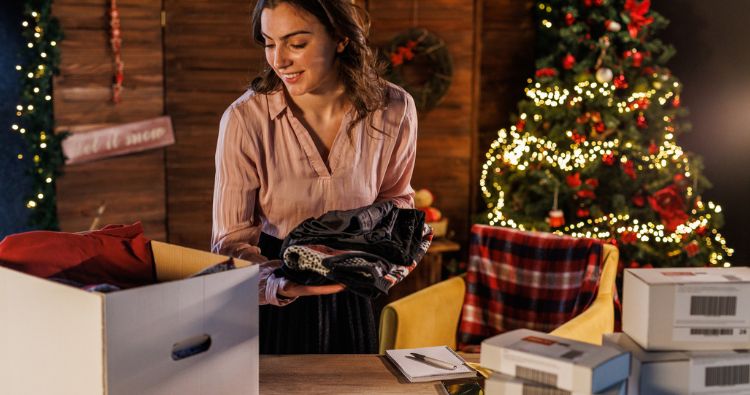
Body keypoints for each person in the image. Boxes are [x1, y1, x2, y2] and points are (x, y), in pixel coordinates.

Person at [211, 0, 418, 354]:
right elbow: (228, 246)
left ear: (340, 37)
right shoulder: (245, 121)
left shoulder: (394, 108)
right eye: (269, 42)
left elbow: (396, 201)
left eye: (296, 43)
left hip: (351, 296)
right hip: (276, 295)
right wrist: (280, 285)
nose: (278, 61)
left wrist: (375, 259)